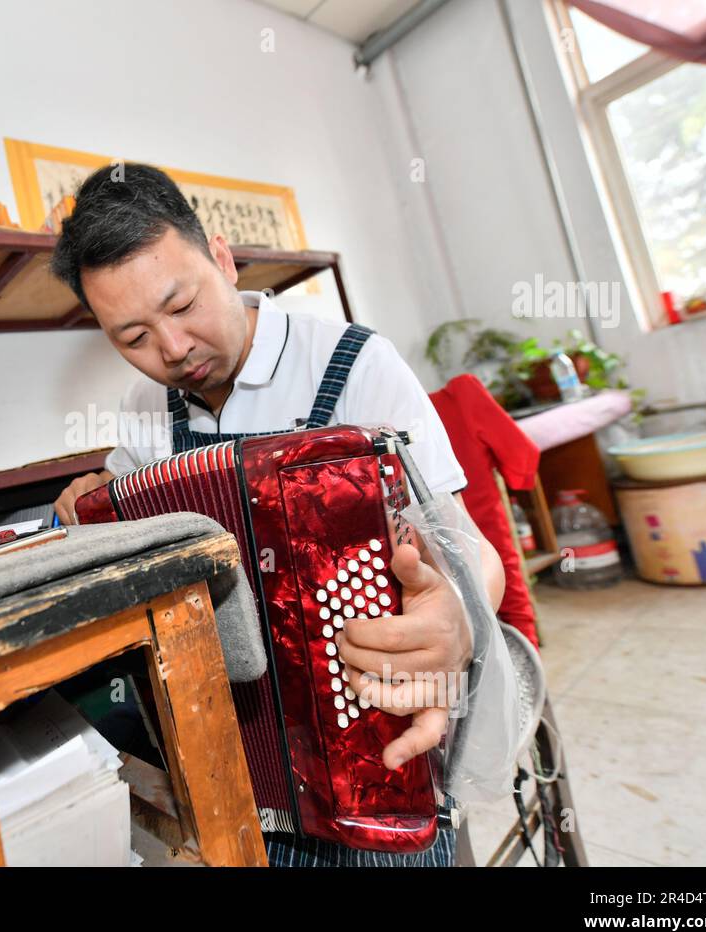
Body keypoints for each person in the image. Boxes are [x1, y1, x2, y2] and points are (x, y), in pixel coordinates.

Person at [49, 163, 507, 867]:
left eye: (182, 305)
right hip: (235, 770)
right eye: (132, 337)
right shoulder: (145, 412)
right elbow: (116, 507)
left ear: (224, 259)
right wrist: (81, 510)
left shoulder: (356, 367)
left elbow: (469, 548)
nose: (172, 350)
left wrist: (461, 617)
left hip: (370, 751)